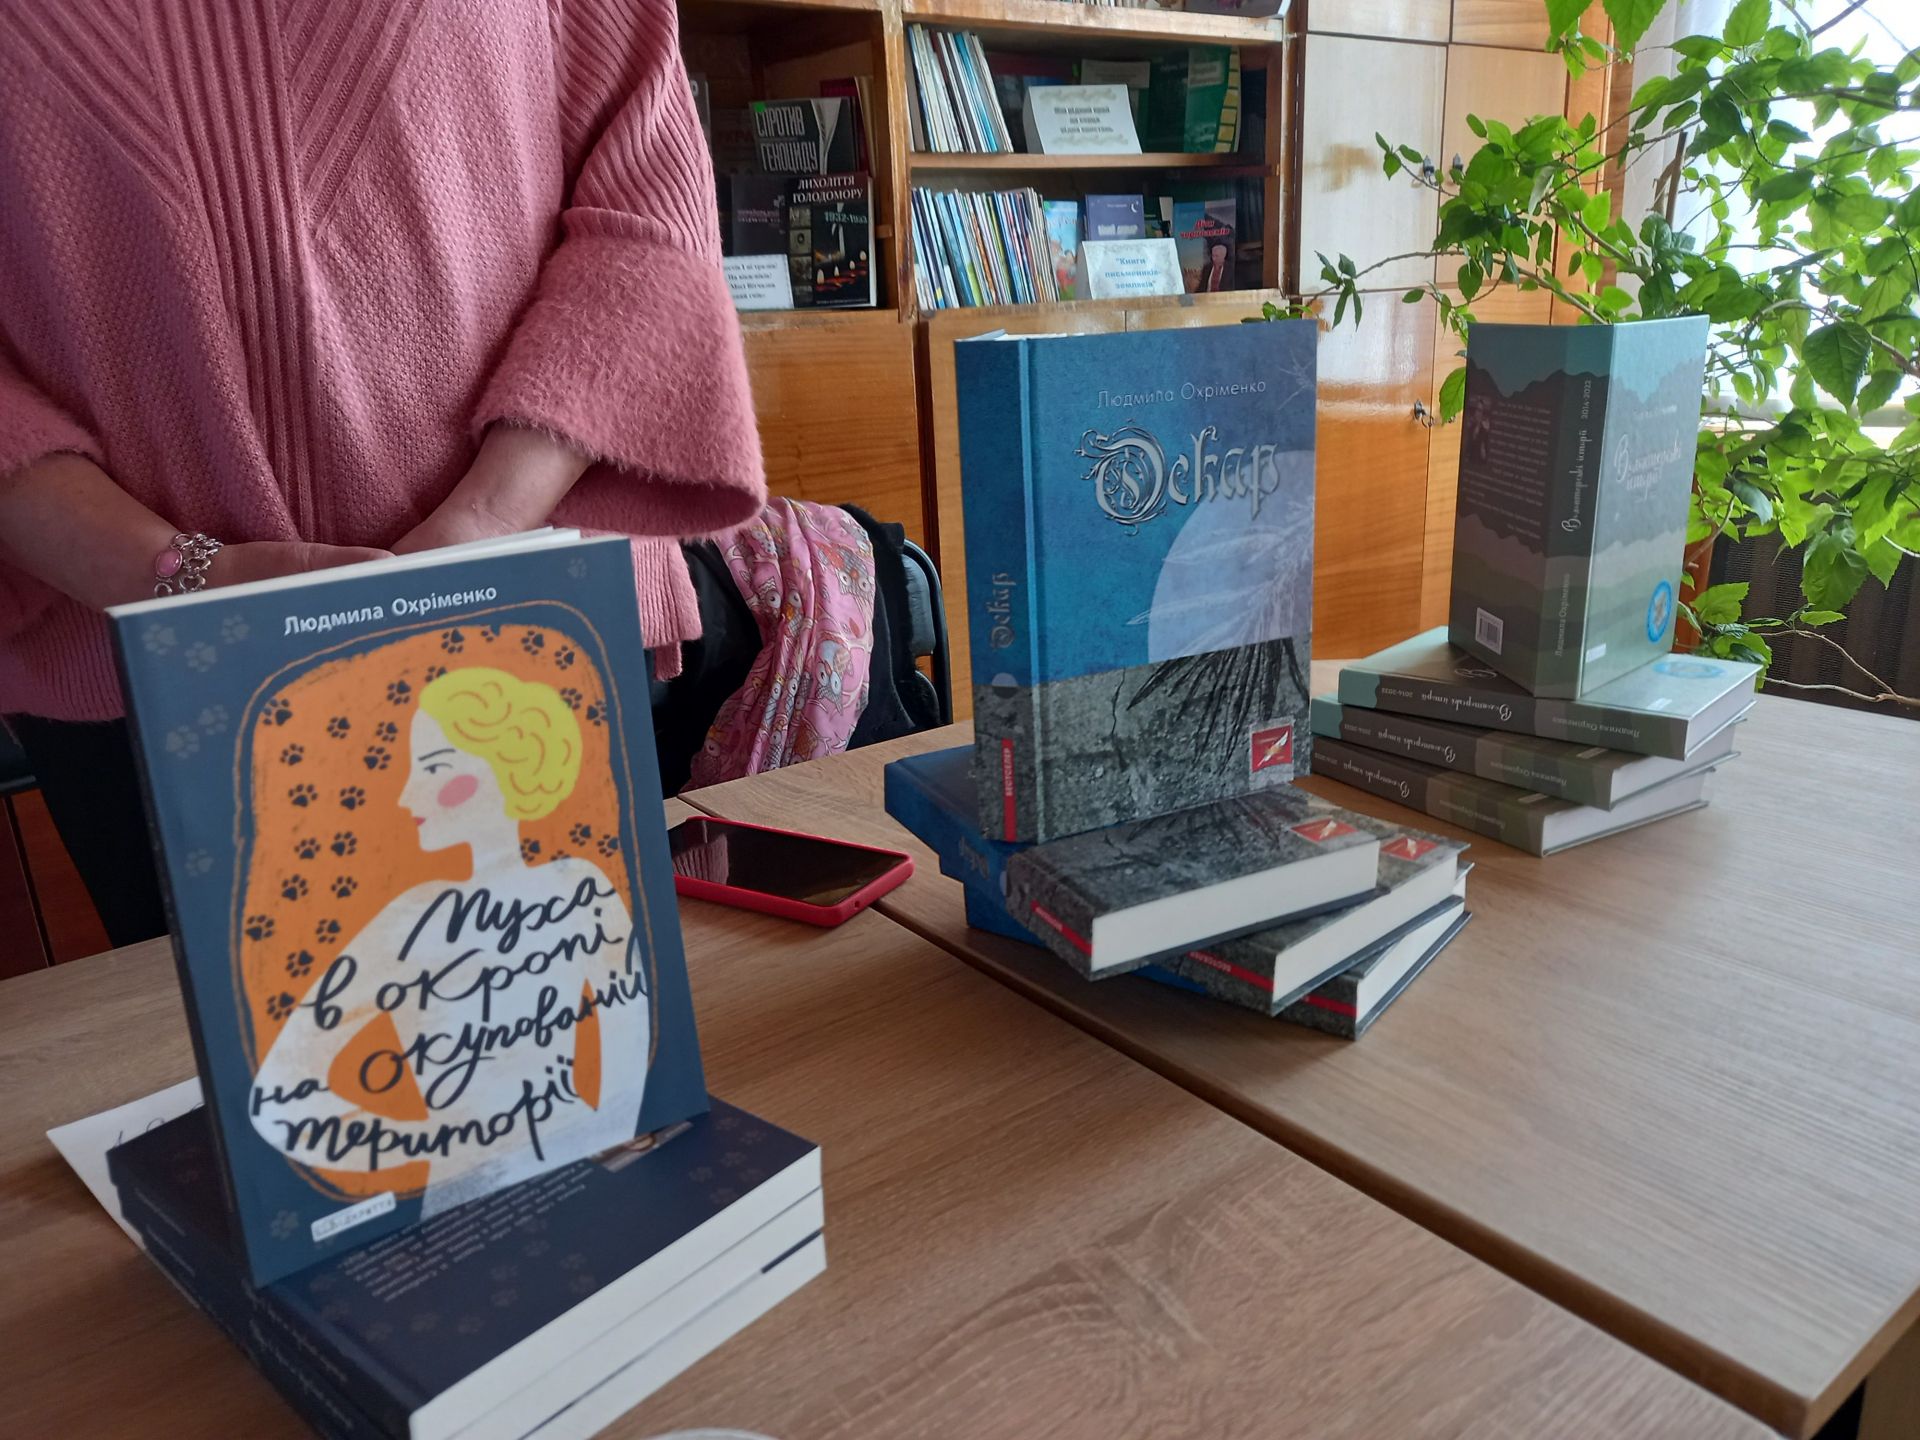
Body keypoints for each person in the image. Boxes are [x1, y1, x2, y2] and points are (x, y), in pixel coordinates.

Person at [0, 0, 765, 947]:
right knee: (223, 1032)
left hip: (522, 615)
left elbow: (649, 197)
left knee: (560, 1010)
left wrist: (484, 529)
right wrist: (168, 579)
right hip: (133, 659)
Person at [251, 665, 649, 1214]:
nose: (407, 794)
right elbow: (281, 1095)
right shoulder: (407, 921)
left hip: (589, 1181)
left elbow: (628, 1051)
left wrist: (604, 1150)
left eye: (434, 768)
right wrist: (437, 1144)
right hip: (466, 1205)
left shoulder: (582, 887)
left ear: (509, 765)